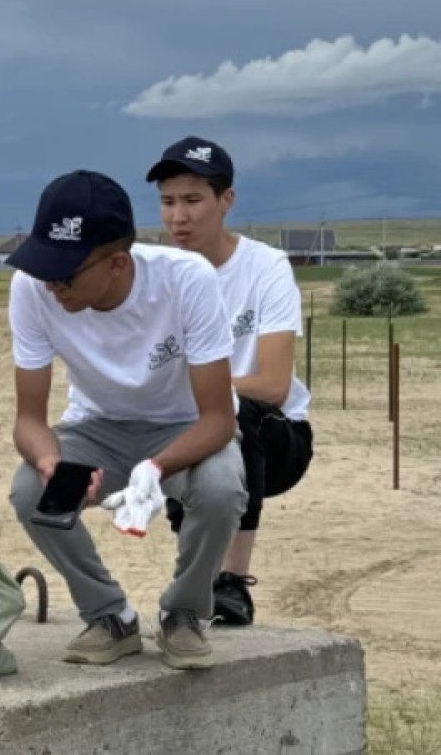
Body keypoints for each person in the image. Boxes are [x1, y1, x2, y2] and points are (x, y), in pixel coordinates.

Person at [6, 169, 246, 670]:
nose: (51, 285)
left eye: (65, 273)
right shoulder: (31, 290)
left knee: (221, 487)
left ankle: (184, 612)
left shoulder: (186, 280)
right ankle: (109, 616)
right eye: (43, 265)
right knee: (31, 491)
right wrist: (52, 461)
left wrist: (154, 469)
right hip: (97, 426)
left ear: (116, 263)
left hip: (186, 427)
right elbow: (27, 419)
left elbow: (219, 420)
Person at [147, 136, 314, 625]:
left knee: (237, 410)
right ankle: (194, 580)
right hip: (189, 425)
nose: (179, 216)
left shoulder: (265, 268)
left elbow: (275, 383)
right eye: (167, 201)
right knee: (185, 426)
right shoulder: (153, 275)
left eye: (193, 200)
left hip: (275, 438)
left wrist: (205, 393)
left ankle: (231, 582)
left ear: (226, 201)